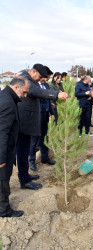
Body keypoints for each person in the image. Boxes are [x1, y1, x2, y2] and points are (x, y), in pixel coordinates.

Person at [17, 64, 69, 190]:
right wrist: (56, 95)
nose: (39, 79)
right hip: (23, 122)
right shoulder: (24, 78)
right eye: (39, 76)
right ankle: (24, 181)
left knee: (24, 151)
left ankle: (25, 176)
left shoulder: (28, 78)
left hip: (28, 121)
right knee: (23, 152)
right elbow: (35, 91)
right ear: (33, 72)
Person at [0, 77, 29, 217]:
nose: (24, 96)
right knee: (3, 179)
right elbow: (2, 133)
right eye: (24, 92)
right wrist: (1, 158)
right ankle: (4, 210)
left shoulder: (4, 95)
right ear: (17, 87)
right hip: (2, 150)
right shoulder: (7, 103)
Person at [29, 66, 55, 171]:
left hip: (44, 116)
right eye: (45, 77)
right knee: (34, 140)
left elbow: (48, 100)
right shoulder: (33, 85)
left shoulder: (47, 86)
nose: (45, 79)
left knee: (45, 138)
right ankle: (31, 160)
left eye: (47, 78)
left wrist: (52, 112)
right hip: (35, 116)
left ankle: (45, 157)